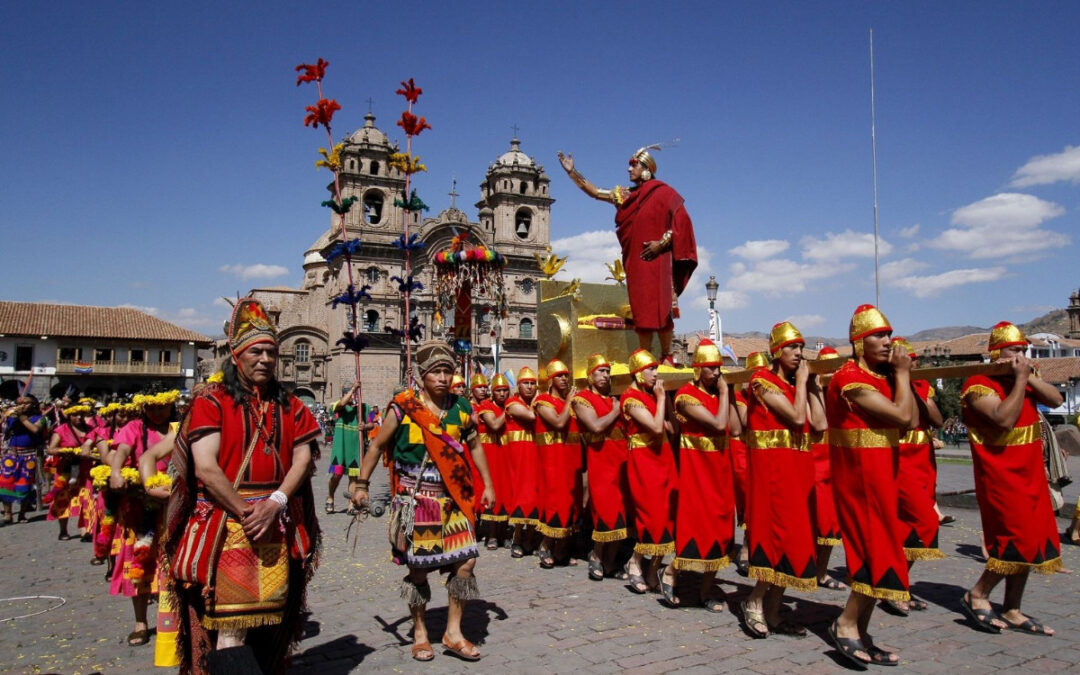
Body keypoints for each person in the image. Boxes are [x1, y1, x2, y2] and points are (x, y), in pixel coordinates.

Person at [165, 298, 321, 673]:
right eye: (257, 351)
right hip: (229, 526)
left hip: (277, 524)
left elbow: (303, 459)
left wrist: (277, 502)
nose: (266, 359)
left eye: (271, 351)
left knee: (271, 625)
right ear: (236, 356)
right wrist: (248, 510)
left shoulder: (293, 406)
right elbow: (205, 467)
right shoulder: (211, 403)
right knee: (233, 628)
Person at [351, 340, 495, 662]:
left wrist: (488, 484)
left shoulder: (462, 408)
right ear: (421, 377)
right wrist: (361, 484)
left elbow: (475, 448)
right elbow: (375, 447)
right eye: (436, 373)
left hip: (455, 498)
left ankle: (453, 632)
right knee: (419, 570)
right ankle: (420, 632)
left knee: (466, 561)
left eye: (447, 371)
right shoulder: (402, 407)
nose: (443, 378)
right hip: (417, 500)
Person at [959, 321, 1063, 636]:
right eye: (1014, 350)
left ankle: (1013, 608)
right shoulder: (978, 385)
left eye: (1024, 350)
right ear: (997, 353)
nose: (1022, 355)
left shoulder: (1026, 380)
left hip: (1031, 474)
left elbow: (1057, 400)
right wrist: (1020, 380)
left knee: (1034, 540)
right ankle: (977, 594)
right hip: (1002, 477)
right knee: (1014, 540)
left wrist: (1027, 377)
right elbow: (1004, 419)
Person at [826, 305, 913, 667]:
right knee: (872, 548)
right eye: (879, 335)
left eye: (889, 335)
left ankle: (861, 630)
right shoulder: (848, 379)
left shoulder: (882, 378)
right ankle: (845, 623)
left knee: (884, 548)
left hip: (884, 477)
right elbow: (904, 415)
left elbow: (912, 424)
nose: (888, 342)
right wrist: (904, 376)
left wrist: (898, 378)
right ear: (859, 343)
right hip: (859, 480)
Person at [558, 147, 697, 366]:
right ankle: (645, 355)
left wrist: (661, 244)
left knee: (662, 310)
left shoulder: (665, 193)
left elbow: (681, 224)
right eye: (629, 164)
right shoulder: (625, 195)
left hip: (659, 263)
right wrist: (572, 172)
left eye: (634, 164)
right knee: (642, 311)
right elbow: (595, 192)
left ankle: (666, 356)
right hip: (636, 264)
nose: (628, 168)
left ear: (647, 169)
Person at [741, 323, 824, 638]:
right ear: (776, 351)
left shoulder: (795, 387)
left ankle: (774, 612)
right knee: (775, 537)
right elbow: (796, 417)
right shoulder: (761, 380)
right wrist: (802, 383)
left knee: (793, 540)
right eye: (792, 348)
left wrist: (813, 387)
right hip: (774, 474)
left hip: (797, 472)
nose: (799, 354)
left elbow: (820, 424)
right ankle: (755, 601)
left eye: (801, 348)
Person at [668, 339, 737, 611]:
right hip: (698, 471)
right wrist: (723, 394)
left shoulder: (718, 394)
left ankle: (706, 590)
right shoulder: (686, 396)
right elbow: (719, 423)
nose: (717, 374)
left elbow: (735, 427)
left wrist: (727, 395)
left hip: (720, 468)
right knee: (698, 526)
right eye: (710, 368)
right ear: (698, 370)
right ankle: (672, 572)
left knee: (721, 527)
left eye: (718, 368)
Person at [108, 390, 179, 647]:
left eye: (163, 407)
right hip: (140, 505)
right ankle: (140, 621)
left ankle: (175, 619)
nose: (157, 413)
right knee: (140, 560)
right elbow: (122, 450)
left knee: (173, 562)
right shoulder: (134, 427)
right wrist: (116, 472)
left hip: (173, 503)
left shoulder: (178, 427)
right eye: (152, 408)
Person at [890, 338, 947, 614]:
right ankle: (893, 585)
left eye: (914, 359)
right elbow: (906, 419)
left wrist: (920, 393)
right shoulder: (890, 386)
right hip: (901, 458)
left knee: (913, 527)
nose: (914, 364)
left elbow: (936, 420)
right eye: (908, 358)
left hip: (924, 458)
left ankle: (900, 584)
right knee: (921, 520)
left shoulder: (923, 387)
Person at [621, 348, 677, 593]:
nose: (656, 374)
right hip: (644, 461)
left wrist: (668, 402)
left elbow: (671, 430)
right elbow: (656, 427)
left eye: (656, 368)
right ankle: (634, 562)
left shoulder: (653, 397)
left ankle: (654, 569)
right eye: (651, 369)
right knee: (651, 515)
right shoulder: (630, 398)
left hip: (664, 458)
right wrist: (662, 399)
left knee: (667, 516)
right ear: (637, 372)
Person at [572, 353, 631, 581]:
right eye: (601, 372)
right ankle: (596, 555)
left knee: (621, 513)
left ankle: (610, 562)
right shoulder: (582, 399)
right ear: (590, 376)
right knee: (605, 510)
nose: (605, 375)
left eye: (608, 371)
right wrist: (616, 410)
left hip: (621, 460)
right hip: (600, 461)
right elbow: (596, 426)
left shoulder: (615, 398)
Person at [534, 359, 582, 568]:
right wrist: (571, 401)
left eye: (566, 375)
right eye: (559, 376)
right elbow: (559, 423)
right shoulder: (543, 401)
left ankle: (562, 550)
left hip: (572, 459)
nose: (564, 379)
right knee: (556, 501)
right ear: (551, 380)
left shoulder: (569, 404)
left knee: (572, 501)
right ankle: (545, 546)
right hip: (553, 460)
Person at [809, 347, 846, 591]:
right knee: (812, 521)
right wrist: (816, 387)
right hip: (813, 463)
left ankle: (821, 572)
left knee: (832, 523)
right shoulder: (809, 392)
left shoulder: (845, 394)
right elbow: (818, 424)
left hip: (836, 463)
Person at [732, 351, 769, 576]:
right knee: (747, 495)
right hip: (743, 449)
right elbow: (746, 421)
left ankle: (759, 545)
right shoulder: (740, 396)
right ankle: (746, 545)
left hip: (763, 449)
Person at [504, 367, 541, 557]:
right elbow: (532, 416)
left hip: (536, 454)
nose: (530, 387)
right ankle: (517, 538)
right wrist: (539, 402)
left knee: (536, 494)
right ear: (518, 386)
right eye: (526, 383)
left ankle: (530, 540)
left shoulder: (536, 402)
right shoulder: (512, 403)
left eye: (533, 383)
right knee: (521, 494)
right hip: (519, 456)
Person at [44, 403, 93, 540]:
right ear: (69, 415)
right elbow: (51, 449)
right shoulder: (61, 430)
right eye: (75, 415)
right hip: (67, 469)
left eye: (81, 415)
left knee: (87, 498)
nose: (79, 417)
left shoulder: (90, 429)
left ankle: (86, 530)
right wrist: (67, 451)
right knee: (64, 499)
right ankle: (63, 530)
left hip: (86, 469)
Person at [473, 373, 509, 549]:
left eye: (505, 390)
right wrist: (509, 409)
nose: (502, 394)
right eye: (499, 391)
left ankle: (504, 533)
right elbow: (494, 425)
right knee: (495, 491)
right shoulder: (486, 407)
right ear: (493, 393)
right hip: (491, 454)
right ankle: (492, 534)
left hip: (507, 454)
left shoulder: (509, 406)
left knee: (507, 491)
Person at [326, 381, 371, 514]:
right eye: (350, 394)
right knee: (336, 475)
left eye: (355, 394)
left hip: (355, 446)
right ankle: (330, 497)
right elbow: (342, 404)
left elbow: (372, 424)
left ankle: (351, 504)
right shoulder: (337, 406)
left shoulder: (363, 408)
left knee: (353, 477)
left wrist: (365, 426)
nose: (353, 397)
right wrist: (353, 389)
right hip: (341, 446)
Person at [0, 394, 46, 524]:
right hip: (11, 454)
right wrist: (5, 415)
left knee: (24, 485)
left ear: (33, 405)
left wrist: (22, 418)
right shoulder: (11, 418)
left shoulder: (40, 418)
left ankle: (22, 513)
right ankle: (8, 514)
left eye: (26, 403)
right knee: (5, 483)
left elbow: (35, 429)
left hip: (29, 455)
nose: (22, 405)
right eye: (20, 402)